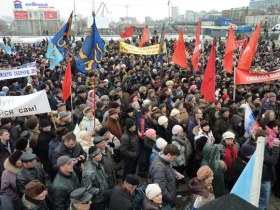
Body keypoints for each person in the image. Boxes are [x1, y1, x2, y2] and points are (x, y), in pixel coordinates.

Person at [82, 146, 110, 210]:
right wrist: (100, 191)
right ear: (93, 157)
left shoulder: (98, 164)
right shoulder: (89, 173)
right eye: (98, 154)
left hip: (103, 196)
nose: (101, 155)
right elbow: (88, 189)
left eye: (100, 153)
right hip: (97, 200)